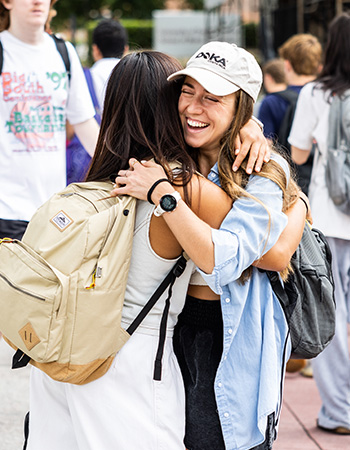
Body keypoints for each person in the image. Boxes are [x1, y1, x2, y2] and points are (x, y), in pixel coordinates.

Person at [113, 42, 308, 450]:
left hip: (229, 334)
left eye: (212, 98)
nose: (193, 108)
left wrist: (165, 195)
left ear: (241, 108)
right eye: (188, 91)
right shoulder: (175, 149)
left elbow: (225, 260)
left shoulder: (261, 170)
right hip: (174, 327)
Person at [289, 13, 350, 436]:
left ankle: (340, 412)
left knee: (329, 316)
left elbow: (296, 154)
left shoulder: (316, 92)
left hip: (330, 220)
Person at [0, 0, 99, 240]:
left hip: (54, 213)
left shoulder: (63, 52)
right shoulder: (4, 49)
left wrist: (127, 167)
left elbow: (84, 123)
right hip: (6, 212)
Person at [258, 33, 322, 195]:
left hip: (291, 185)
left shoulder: (272, 102)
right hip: (326, 182)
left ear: (287, 65)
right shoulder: (329, 97)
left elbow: (266, 147)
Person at [66, 18, 128, 184]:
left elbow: (70, 129)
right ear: (126, 49)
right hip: (125, 168)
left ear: (95, 50)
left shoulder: (82, 80)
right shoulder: (134, 80)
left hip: (85, 170)